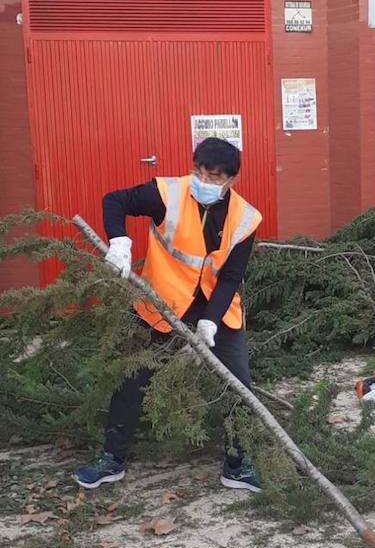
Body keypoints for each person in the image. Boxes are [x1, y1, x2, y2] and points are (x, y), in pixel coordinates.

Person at [75, 138, 263, 493]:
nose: (203, 181)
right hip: (160, 305)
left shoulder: (246, 219)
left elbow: (231, 276)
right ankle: (112, 460)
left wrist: (210, 320)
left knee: (238, 386)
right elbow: (114, 201)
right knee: (130, 379)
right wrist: (119, 241)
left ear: (232, 180)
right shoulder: (166, 193)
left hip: (217, 310)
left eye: (213, 176)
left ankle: (236, 465)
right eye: (199, 172)